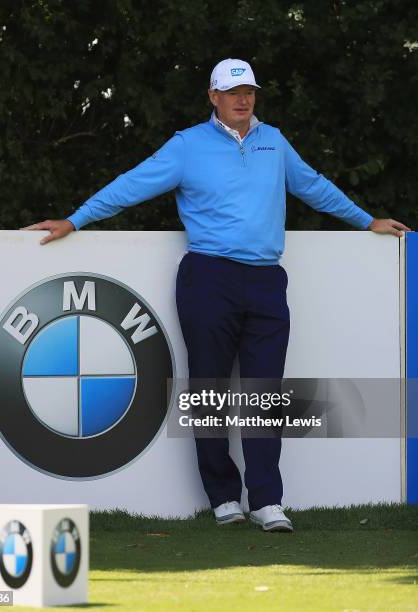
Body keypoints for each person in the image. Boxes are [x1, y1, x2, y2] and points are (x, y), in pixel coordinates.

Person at [25, 58, 411, 532]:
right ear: (213, 97)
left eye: (248, 90)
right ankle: (224, 497)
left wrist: (366, 219)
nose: (242, 99)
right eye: (232, 92)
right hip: (209, 277)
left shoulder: (274, 142)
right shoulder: (188, 145)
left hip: (267, 280)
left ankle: (267, 501)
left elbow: (313, 187)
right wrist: (75, 218)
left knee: (264, 394)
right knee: (207, 389)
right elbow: (132, 184)